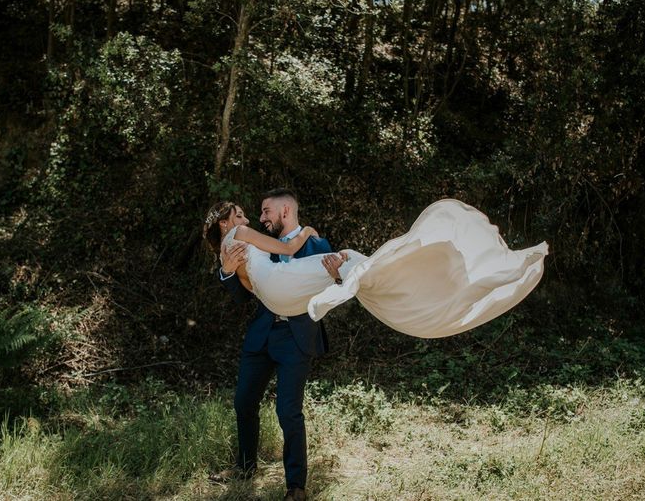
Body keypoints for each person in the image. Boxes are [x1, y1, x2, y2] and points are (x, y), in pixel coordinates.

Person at [207, 198, 548, 340]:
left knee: (351, 267)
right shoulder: (239, 235)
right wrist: (307, 232)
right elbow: (286, 248)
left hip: (276, 300)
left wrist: (228, 270)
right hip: (283, 292)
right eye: (238, 214)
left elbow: (250, 288)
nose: (246, 218)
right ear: (225, 223)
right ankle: (344, 287)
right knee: (350, 257)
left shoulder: (229, 255)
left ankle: (341, 288)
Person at [208, 189, 335, 501]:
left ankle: (296, 486)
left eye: (266, 212)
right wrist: (226, 272)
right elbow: (243, 296)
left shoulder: (317, 245)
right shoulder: (254, 243)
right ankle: (245, 467)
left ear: (286, 210)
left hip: (295, 337)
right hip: (262, 335)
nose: (260, 217)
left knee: (288, 411)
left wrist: (339, 278)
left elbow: (333, 288)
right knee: (243, 402)